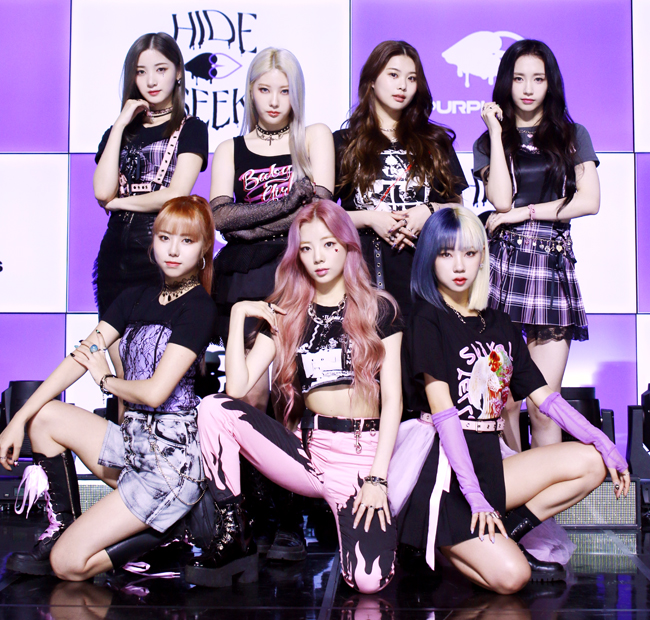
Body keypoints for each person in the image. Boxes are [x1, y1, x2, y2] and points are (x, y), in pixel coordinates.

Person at [396, 206, 628, 594]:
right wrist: (474, 497)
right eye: (446, 253)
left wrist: (605, 443)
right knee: (513, 577)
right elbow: (445, 413)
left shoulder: (498, 321)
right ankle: (433, 538)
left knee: (592, 463)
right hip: (445, 471)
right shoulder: (426, 318)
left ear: (482, 257)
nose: (459, 265)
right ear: (430, 258)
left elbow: (546, 398)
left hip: (490, 461)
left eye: (469, 253)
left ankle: (511, 530)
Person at [186, 200, 402, 593]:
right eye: (306, 248)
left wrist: (377, 478)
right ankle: (234, 533)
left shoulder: (379, 308)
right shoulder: (288, 313)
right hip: (308, 454)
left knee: (368, 582)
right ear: (296, 255)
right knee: (214, 408)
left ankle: (389, 514)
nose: (318, 257)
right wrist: (239, 315)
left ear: (348, 246)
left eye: (329, 244)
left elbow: (394, 402)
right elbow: (236, 389)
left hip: (362, 457)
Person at [1, 196, 217, 580]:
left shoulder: (199, 307)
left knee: (69, 565)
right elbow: (80, 356)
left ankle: (168, 533)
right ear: (152, 242)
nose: (173, 250)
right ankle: (61, 529)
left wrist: (105, 380)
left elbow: (155, 393)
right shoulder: (134, 297)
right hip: (131, 446)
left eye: (186, 241)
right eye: (165, 237)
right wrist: (18, 420)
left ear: (203, 249)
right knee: (44, 417)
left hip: (170, 465)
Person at [208, 47, 335, 560]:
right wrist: (288, 203)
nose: (275, 100)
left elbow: (319, 208)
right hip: (241, 279)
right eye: (264, 89)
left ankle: (290, 519)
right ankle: (253, 515)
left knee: (293, 397)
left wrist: (255, 218)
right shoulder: (229, 148)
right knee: (250, 397)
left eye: (284, 90)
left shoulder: (314, 137)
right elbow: (220, 219)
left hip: (296, 272)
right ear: (250, 92)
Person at [473, 39, 600, 449]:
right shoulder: (488, 141)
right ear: (506, 83)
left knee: (544, 404)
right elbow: (501, 200)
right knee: (503, 402)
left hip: (550, 265)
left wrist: (525, 214)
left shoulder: (572, 134)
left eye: (538, 79)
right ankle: (511, 486)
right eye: (519, 78)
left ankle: (547, 490)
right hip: (502, 266)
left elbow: (589, 201)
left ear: (551, 83)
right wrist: (497, 133)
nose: (528, 88)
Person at [335, 40, 468, 319]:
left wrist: (428, 211)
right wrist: (370, 218)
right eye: (393, 75)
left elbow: (458, 208)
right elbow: (322, 216)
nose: (403, 86)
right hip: (363, 275)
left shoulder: (435, 141)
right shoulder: (344, 142)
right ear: (372, 80)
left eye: (411, 78)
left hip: (425, 275)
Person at [93, 32, 208, 333]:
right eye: (141, 72)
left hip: (162, 250)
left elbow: (176, 194)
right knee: (114, 345)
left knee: (155, 346)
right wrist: (121, 123)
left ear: (178, 72)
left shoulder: (191, 128)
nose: (151, 81)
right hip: (115, 251)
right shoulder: (119, 131)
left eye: (161, 69)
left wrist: (120, 202)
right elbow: (102, 191)